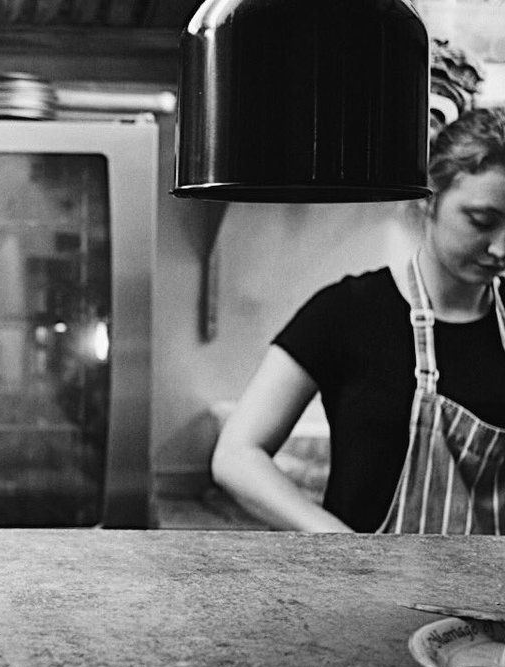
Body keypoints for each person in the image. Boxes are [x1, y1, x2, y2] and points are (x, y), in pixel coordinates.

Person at [211, 107, 505, 534]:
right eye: (482, 221)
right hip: (362, 575)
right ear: (429, 199)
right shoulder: (347, 312)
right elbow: (236, 455)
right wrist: (342, 546)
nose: (501, 248)